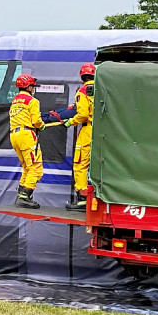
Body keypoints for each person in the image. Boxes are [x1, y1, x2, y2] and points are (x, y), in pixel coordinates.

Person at [9, 74, 46, 209]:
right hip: (26, 135)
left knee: (27, 167)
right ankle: (25, 197)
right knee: (36, 168)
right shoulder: (32, 101)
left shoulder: (15, 101)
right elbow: (36, 121)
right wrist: (41, 126)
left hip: (14, 135)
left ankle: (21, 194)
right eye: (33, 87)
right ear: (29, 87)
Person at [64, 63, 96, 211]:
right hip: (102, 132)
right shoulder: (102, 90)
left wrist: (71, 121)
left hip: (88, 130)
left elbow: (83, 115)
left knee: (80, 163)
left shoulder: (83, 91)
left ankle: (82, 199)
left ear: (82, 77)